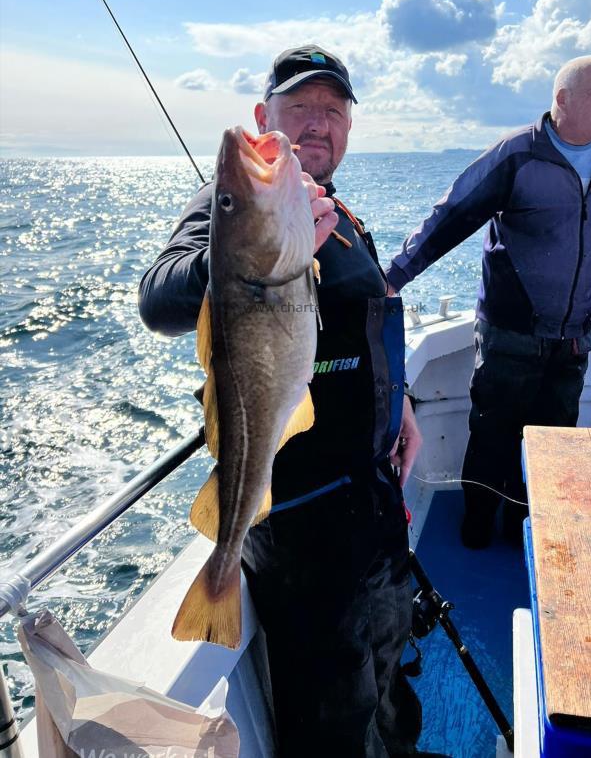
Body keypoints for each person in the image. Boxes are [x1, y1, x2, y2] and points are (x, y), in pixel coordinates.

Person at [138, 45, 431, 757]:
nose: (317, 123)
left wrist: (403, 407)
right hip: (300, 524)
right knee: (330, 707)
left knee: (390, 669)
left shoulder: (339, 216)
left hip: (372, 499)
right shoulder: (238, 206)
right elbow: (160, 296)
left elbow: (368, 322)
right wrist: (238, 251)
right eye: (299, 106)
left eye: (333, 110)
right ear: (264, 116)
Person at [385, 55, 591, 549]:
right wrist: (394, 277)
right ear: (561, 100)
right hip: (511, 332)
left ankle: (526, 532)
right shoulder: (518, 154)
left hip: (572, 336)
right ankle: (477, 530)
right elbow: (453, 214)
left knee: (556, 444)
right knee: (493, 437)